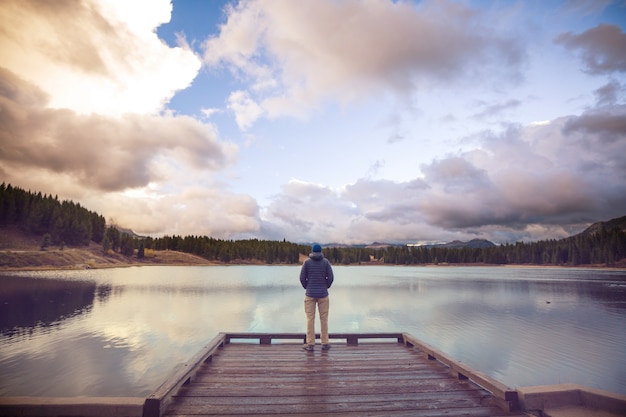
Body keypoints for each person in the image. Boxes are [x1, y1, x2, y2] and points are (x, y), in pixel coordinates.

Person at [300, 243, 334, 351]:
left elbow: (302, 278)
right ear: (321, 251)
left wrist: (307, 287)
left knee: (310, 319)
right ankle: (325, 342)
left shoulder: (307, 262)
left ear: (312, 251)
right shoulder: (325, 262)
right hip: (323, 295)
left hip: (310, 294)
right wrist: (325, 286)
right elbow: (331, 277)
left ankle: (310, 343)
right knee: (324, 319)